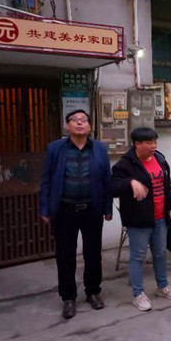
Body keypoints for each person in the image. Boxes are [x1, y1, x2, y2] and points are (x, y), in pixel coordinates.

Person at [40, 109, 112, 319]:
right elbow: (46, 180)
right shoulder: (55, 148)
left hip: (92, 210)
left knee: (93, 254)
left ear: (89, 126)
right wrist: (45, 208)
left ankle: (93, 292)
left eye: (84, 120)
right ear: (67, 126)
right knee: (65, 256)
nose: (80, 123)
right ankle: (68, 297)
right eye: (74, 120)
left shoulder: (99, 148)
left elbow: (106, 180)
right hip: (64, 211)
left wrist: (107, 208)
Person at [110, 128, 171, 312]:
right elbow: (112, 187)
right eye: (149, 143)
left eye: (155, 142)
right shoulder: (125, 164)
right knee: (138, 256)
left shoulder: (160, 159)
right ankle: (138, 294)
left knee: (160, 253)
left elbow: (166, 185)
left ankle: (162, 286)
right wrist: (130, 183)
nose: (153, 146)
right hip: (138, 219)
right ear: (137, 144)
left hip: (160, 217)